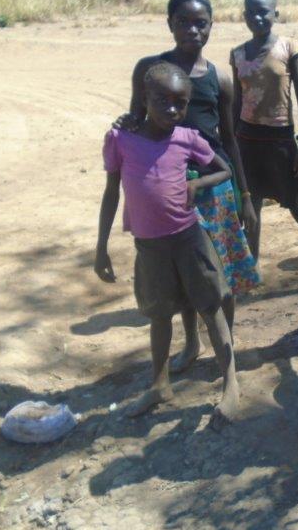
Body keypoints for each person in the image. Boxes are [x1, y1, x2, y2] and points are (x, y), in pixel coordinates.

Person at [95, 63, 239, 428]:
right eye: (163, 101)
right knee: (159, 316)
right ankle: (160, 384)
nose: (173, 110)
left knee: (211, 308)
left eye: (181, 103)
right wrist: (101, 247)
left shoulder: (187, 138)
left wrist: (197, 185)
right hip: (150, 248)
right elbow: (111, 192)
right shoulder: (121, 140)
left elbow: (224, 169)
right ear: (145, 98)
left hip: (189, 240)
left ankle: (231, 383)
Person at [125, 0, 259, 371]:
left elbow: (231, 140)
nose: (192, 30)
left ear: (212, 26)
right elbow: (136, 119)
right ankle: (192, 343)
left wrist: (245, 195)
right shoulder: (152, 71)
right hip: (169, 189)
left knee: (220, 272)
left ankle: (226, 349)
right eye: (183, 21)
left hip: (213, 186)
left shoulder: (219, 78)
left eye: (201, 23)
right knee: (183, 275)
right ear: (169, 24)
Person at [230, 0, 298, 259]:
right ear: (244, 16)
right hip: (247, 141)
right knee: (250, 206)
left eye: (263, 12)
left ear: (275, 14)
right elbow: (236, 102)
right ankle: (250, 268)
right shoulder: (237, 54)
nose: (257, 18)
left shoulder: (289, 47)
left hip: (281, 139)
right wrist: (231, 143)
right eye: (252, 13)